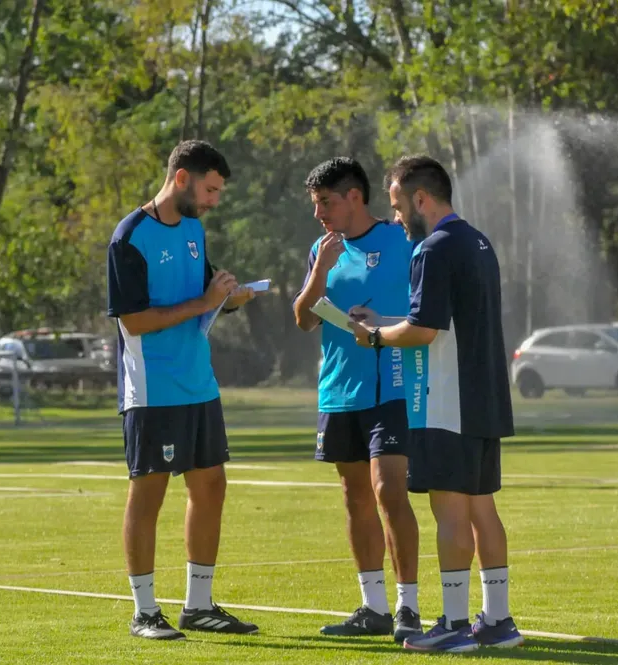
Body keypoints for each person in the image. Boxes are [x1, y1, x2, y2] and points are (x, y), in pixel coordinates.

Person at [349, 155, 524, 653]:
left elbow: (425, 330)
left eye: (398, 204)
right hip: (484, 397)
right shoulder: (477, 241)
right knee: (481, 509)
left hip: (447, 400)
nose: (397, 215)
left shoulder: (432, 248)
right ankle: (497, 621)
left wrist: (376, 336)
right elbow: (443, 320)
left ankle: (451, 624)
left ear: (420, 197)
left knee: (449, 511)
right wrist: (383, 319)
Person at [106, 139, 259, 641]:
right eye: (211, 189)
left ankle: (198, 605)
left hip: (200, 385)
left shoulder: (193, 229)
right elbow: (135, 320)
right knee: (148, 495)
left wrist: (230, 298)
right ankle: (145, 612)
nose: (215, 200)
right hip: (154, 391)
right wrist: (203, 302)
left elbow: (205, 294)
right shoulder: (129, 237)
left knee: (211, 486)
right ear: (181, 179)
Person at [291, 157, 423, 643]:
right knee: (355, 497)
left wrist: (383, 318)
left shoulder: (401, 240)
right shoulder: (321, 250)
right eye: (315, 204)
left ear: (354, 197)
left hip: (393, 383)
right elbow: (304, 319)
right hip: (339, 389)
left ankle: (409, 607)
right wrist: (320, 272)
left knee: (390, 491)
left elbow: (423, 311)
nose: (319, 213)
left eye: (325, 202)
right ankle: (374, 607)